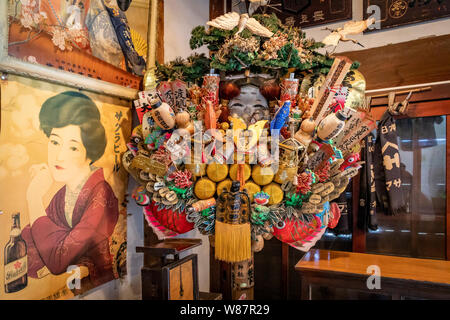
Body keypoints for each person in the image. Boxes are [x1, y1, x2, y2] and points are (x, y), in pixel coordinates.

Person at [21, 91, 119, 287]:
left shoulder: (101, 195)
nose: (59, 156)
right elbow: (29, 245)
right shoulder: (64, 195)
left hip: (97, 286)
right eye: (55, 142)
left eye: (73, 147)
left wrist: (33, 197)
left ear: (90, 153)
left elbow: (57, 259)